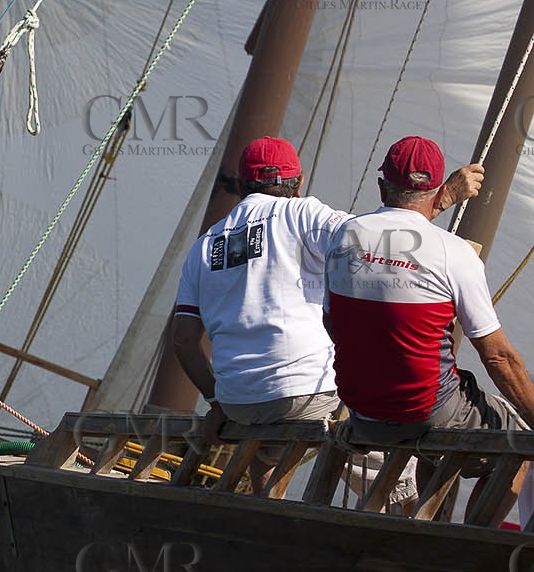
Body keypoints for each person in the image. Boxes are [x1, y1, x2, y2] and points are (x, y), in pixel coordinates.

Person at [170, 136, 481, 496]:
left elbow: (183, 339)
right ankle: (401, 516)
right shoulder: (303, 215)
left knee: (265, 452)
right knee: (376, 431)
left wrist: (216, 400)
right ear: (299, 184)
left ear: (241, 186)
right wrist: (442, 198)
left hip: (239, 403)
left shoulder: (205, 245)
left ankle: (270, 517)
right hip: (311, 394)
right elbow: (376, 242)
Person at [325, 135, 534, 512]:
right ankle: (463, 555)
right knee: (514, 444)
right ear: (437, 188)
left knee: (444, 422)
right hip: (426, 411)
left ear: (380, 184)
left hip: (363, 413)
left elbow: (332, 323)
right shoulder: (452, 252)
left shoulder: (344, 236)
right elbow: (499, 358)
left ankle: (432, 529)